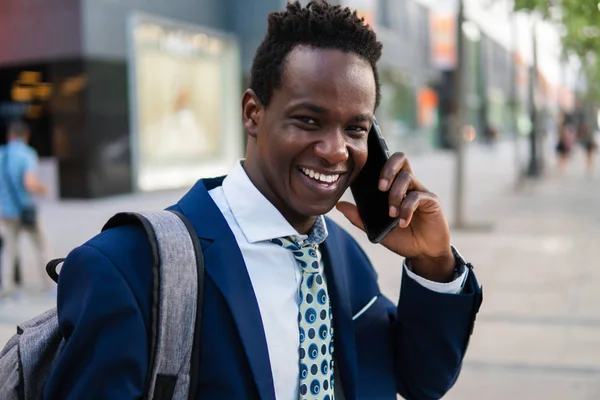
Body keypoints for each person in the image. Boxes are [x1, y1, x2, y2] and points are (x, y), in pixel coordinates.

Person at [44, 2, 482, 399]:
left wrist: (433, 263)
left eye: (355, 129)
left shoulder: (343, 256)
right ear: (253, 114)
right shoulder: (126, 267)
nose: (335, 150)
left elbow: (422, 380)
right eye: (309, 120)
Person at [0, 120, 48, 297]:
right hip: (26, 209)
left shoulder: (2, 154)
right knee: (41, 245)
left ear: (10, 135)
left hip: (7, 211)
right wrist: (43, 188)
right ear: (26, 136)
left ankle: (7, 287)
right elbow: (30, 183)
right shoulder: (27, 154)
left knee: (9, 249)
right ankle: (49, 284)